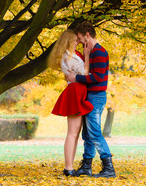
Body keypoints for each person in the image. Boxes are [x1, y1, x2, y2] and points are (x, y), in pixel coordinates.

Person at [65, 21, 116, 178]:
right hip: (91, 96)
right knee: (87, 134)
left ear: (87, 35)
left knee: (94, 133)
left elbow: (98, 77)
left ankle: (108, 168)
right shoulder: (91, 52)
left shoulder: (99, 52)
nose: (79, 41)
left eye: (79, 38)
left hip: (96, 97)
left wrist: (76, 78)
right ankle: (86, 166)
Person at [48, 29, 94, 177]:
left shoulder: (71, 56)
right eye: (75, 40)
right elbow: (85, 73)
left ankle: (69, 166)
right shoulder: (70, 58)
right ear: (69, 42)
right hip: (75, 92)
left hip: (77, 91)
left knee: (75, 133)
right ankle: (68, 168)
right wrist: (87, 55)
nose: (78, 42)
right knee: (73, 133)